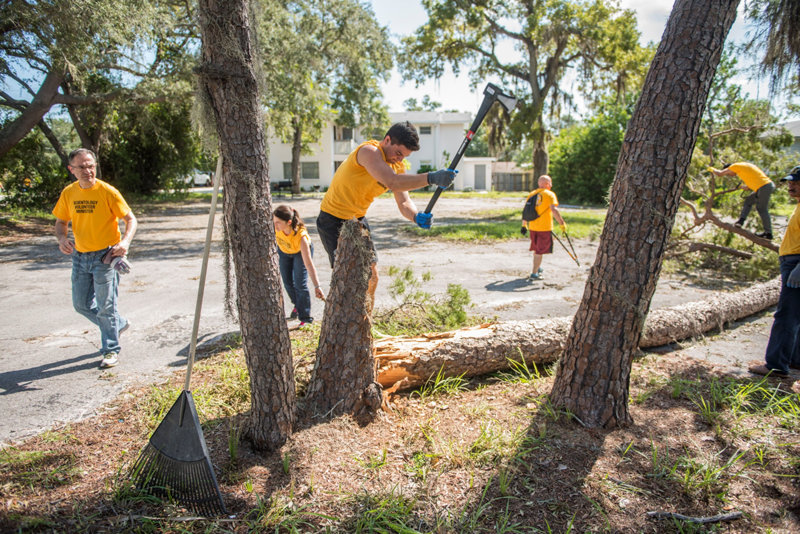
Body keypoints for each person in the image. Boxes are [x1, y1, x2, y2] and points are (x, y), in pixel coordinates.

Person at [316, 121, 456, 306]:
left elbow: (404, 202)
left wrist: (415, 216)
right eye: (398, 153)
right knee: (346, 277)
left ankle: (366, 319)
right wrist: (431, 178)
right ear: (387, 140)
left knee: (372, 276)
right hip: (332, 218)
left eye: (404, 156)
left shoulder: (397, 166)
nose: (399, 159)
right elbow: (392, 182)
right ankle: (339, 318)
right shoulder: (369, 152)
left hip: (357, 220)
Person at [53, 148, 137, 368]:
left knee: (106, 306)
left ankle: (111, 350)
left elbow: (130, 219)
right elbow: (61, 222)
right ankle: (118, 324)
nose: (88, 171)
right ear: (71, 169)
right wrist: (62, 239)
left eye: (91, 166)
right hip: (80, 257)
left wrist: (125, 242)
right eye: (81, 167)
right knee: (81, 304)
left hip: (106, 256)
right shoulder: (69, 193)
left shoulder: (107, 191)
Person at [749, 166, 800, 378]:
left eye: (796, 182)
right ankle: (795, 359)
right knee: (796, 314)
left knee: (786, 314)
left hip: (795, 263)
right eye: (790, 182)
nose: (791, 185)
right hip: (792, 261)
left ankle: (776, 365)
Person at [273, 204, 325, 325]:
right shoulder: (276, 228)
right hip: (284, 252)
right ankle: (298, 305)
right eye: (274, 222)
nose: (275, 225)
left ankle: (305, 318)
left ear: (289, 222)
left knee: (300, 284)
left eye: (278, 222)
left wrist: (317, 286)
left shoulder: (301, 237)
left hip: (299, 253)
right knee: (287, 282)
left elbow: (309, 265)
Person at [709, 162, 775, 239]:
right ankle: (740, 222)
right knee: (748, 201)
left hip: (764, 187)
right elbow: (749, 185)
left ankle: (768, 234)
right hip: (764, 186)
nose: (729, 175)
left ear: (729, 169)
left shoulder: (734, 166)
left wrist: (710, 168)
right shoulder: (742, 169)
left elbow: (719, 173)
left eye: (728, 173)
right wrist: (743, 187)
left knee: (761, 209)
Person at [521, 175, 566, 280]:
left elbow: (526, 211)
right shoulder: (550, 194)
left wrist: (524, 225)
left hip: (533, 227)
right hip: (544, 228)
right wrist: (562, 223)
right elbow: (554, 210)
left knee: (537, 249)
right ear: (548, 184)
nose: (551, 184)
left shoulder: (532, 194)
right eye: (550, 182)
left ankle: (537, 267)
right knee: (539, 251)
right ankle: (534, 273)